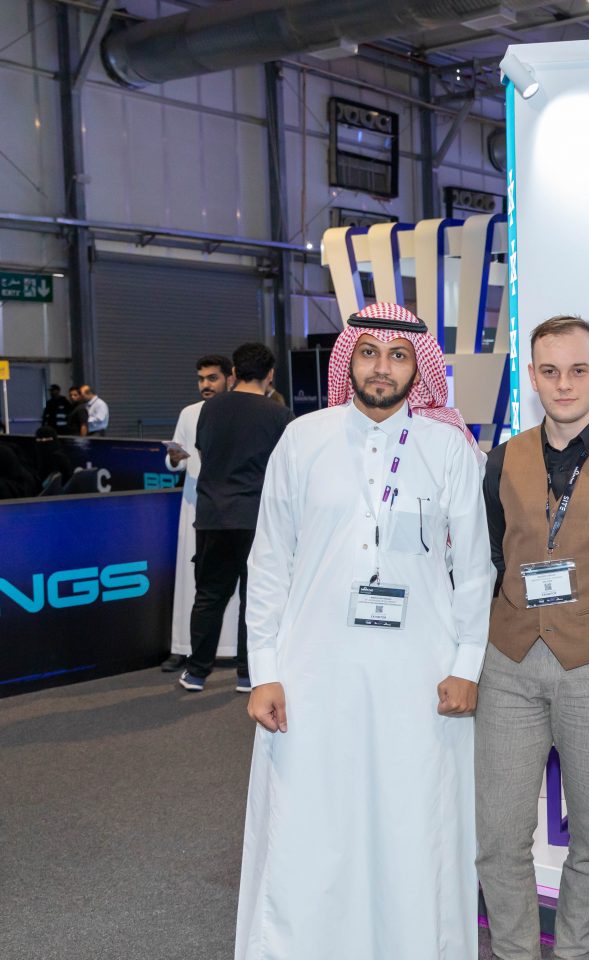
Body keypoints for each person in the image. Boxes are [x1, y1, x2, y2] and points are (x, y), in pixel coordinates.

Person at [235, 302, 492, 960]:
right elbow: (268, 563)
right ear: (348, 360)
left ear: (418, 369)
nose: (383, 367)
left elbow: (475, 568)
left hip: (421, 674)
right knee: (312, 821)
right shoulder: (303, 440)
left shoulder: (448, 449)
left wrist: (466, 665)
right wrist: (264, 672)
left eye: (399, 355)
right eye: (370, 353)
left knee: (414, 823)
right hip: (313, 672)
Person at [478, 315, 589, 960]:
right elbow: (493, 554)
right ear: (532, 376)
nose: (564, 384)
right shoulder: (504, 458)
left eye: (578, 370)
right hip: (510, 663)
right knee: (499, 836)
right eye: (549, 371)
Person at [177, 343, 293, 693]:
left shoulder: (209, 409)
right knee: (254, 598)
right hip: (258, 519)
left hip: (212, 516)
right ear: (270, 374)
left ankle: (197, 672)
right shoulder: (279, 415)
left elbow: (201, 452)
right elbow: (287, 469)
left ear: (233, 373)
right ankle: (248, 674)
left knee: (208, 596)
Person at [160, 354, 237, 673]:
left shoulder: (241, 411)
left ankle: (231, 648)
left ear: (230, 378)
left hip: (232, 508)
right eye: (201, 379)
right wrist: (174, 458)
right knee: (191, 581)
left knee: (229, 582)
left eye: (212, 378)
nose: (205, 384)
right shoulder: (188, 413)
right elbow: (174, 461)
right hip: (193, 504)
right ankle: (184, 647)